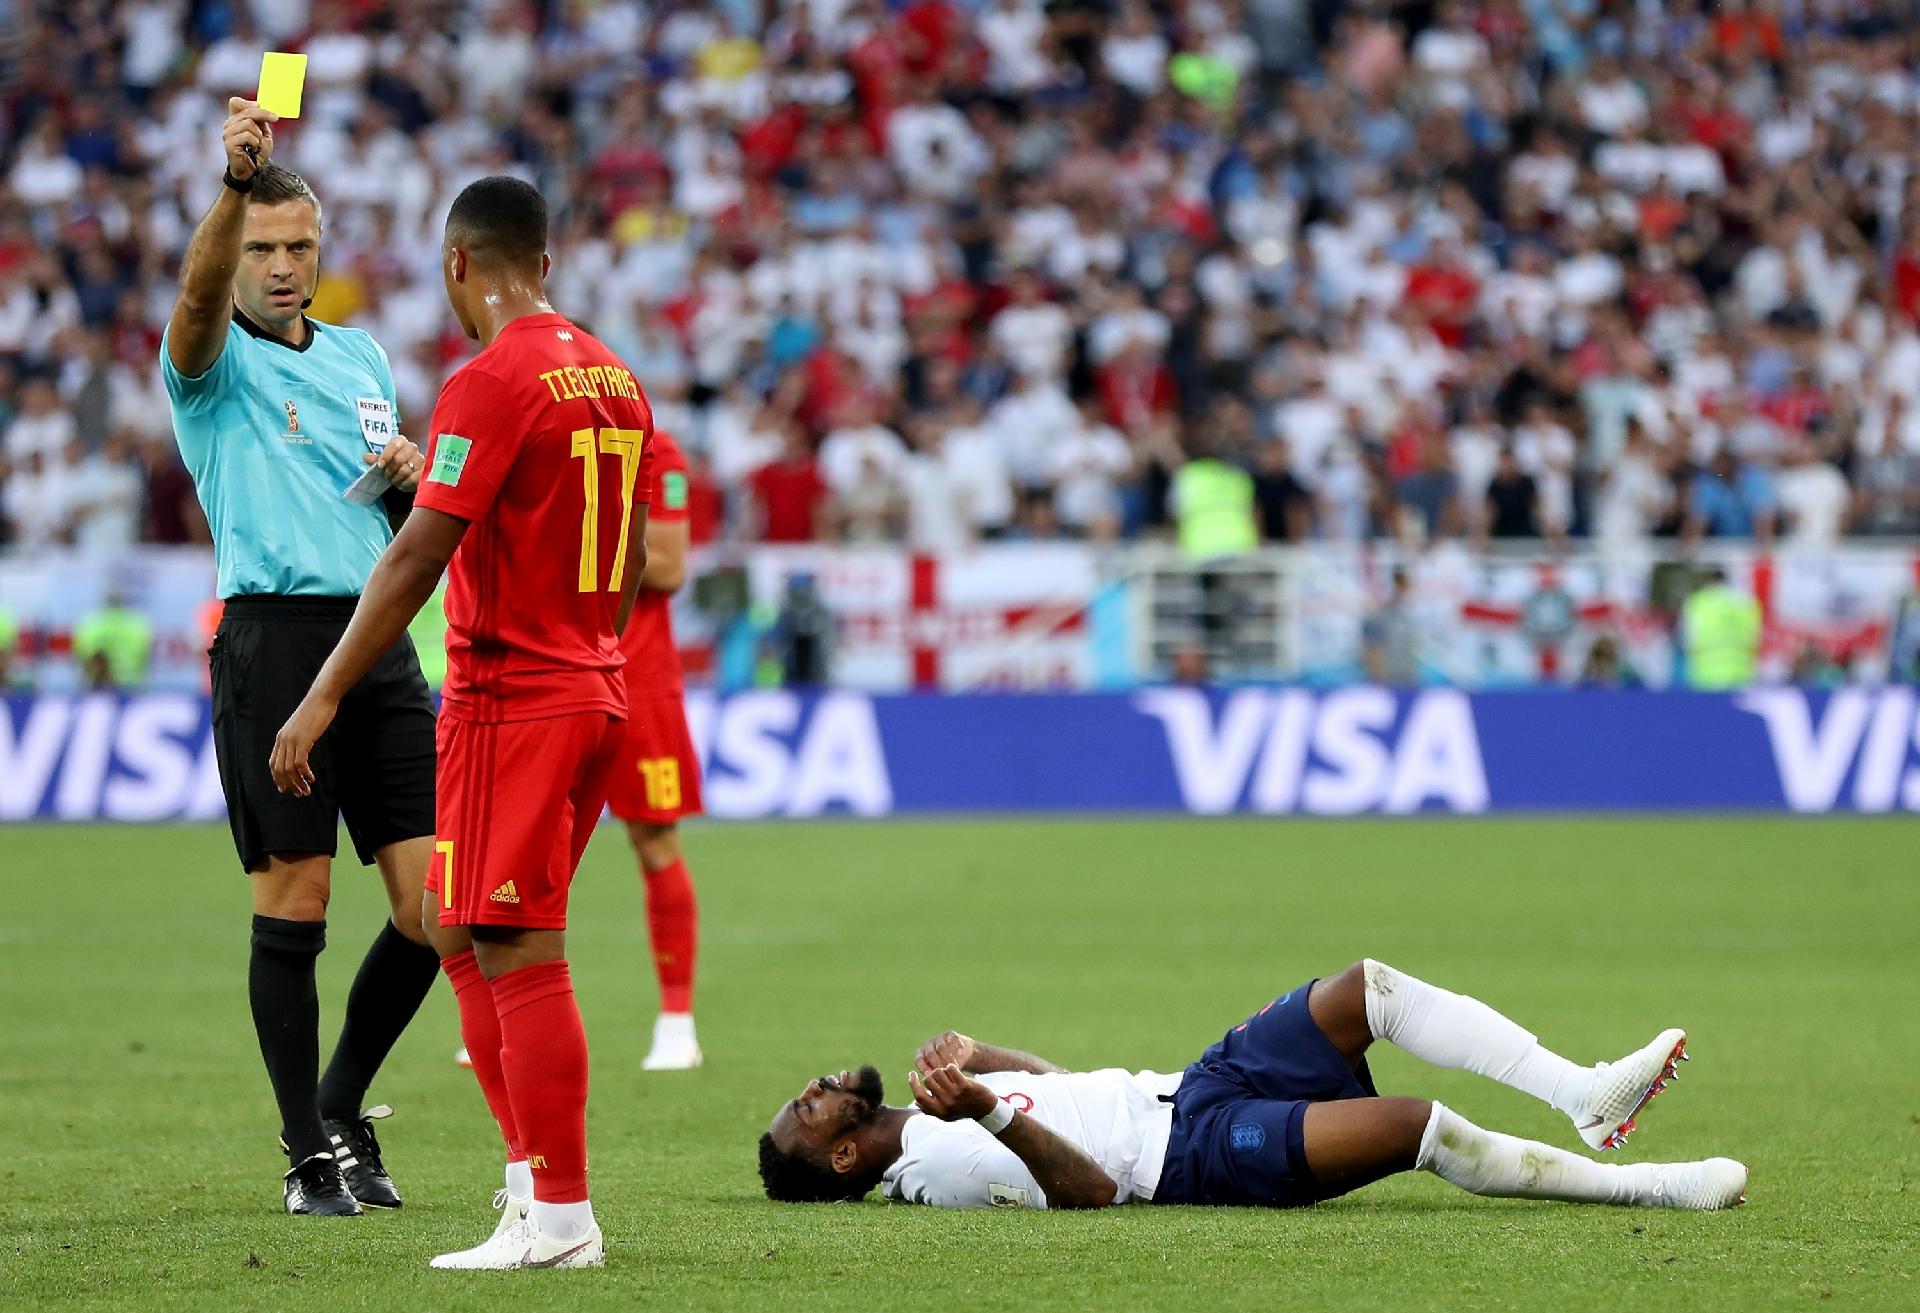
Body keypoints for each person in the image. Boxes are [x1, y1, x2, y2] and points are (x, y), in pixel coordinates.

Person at [269, 176, 654, 1271]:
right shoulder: (614, 374)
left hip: (514, 701)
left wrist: (323, 692)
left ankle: (560, 1215)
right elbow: (623, 554)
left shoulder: (490, 380)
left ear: (457, 267)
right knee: (450, 920)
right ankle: (530, 1187)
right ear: (547, 261)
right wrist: (596, 648)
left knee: (520, 946)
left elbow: (413, 555)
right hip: (593, 685)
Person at [160, 98, 439, 1217]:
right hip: (273, 642)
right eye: (265, 248)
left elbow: (381, 495)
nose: (282, 267)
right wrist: (233, 187)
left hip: (378, 639)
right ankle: (304, 1154)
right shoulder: (207, 360)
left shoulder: (362, 354)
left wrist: (413, 474)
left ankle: (339, 1102)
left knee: (435, 908)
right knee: (299, 901)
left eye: (299, 246)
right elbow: (191, 300)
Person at [758, 959, 1746, 1213]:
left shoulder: (939, 1107)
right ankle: (1644, 1186)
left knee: (1372, 989)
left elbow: (1070, 1090)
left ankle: (1586, 1091)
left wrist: (992, 1059)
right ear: (844, 1153)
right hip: (1186, 1157)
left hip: (1193, 1083)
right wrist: (983, 1108)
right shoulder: (930, 1162)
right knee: (1417, 1126)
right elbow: (1090, 1189)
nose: (814, 1084)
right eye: (808, 1109)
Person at [1681, 565, 1762, 690]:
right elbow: (1756, 638)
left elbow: (1686, 640)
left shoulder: (1697, 602)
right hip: (1741, 673)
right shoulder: (1746, 603)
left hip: (1705, 674)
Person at [72, 590, 153, 689]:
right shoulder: (136, 625)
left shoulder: (91, 624)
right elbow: (145, 655)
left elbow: (81, 654)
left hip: (96, 682)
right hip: (129, 682)